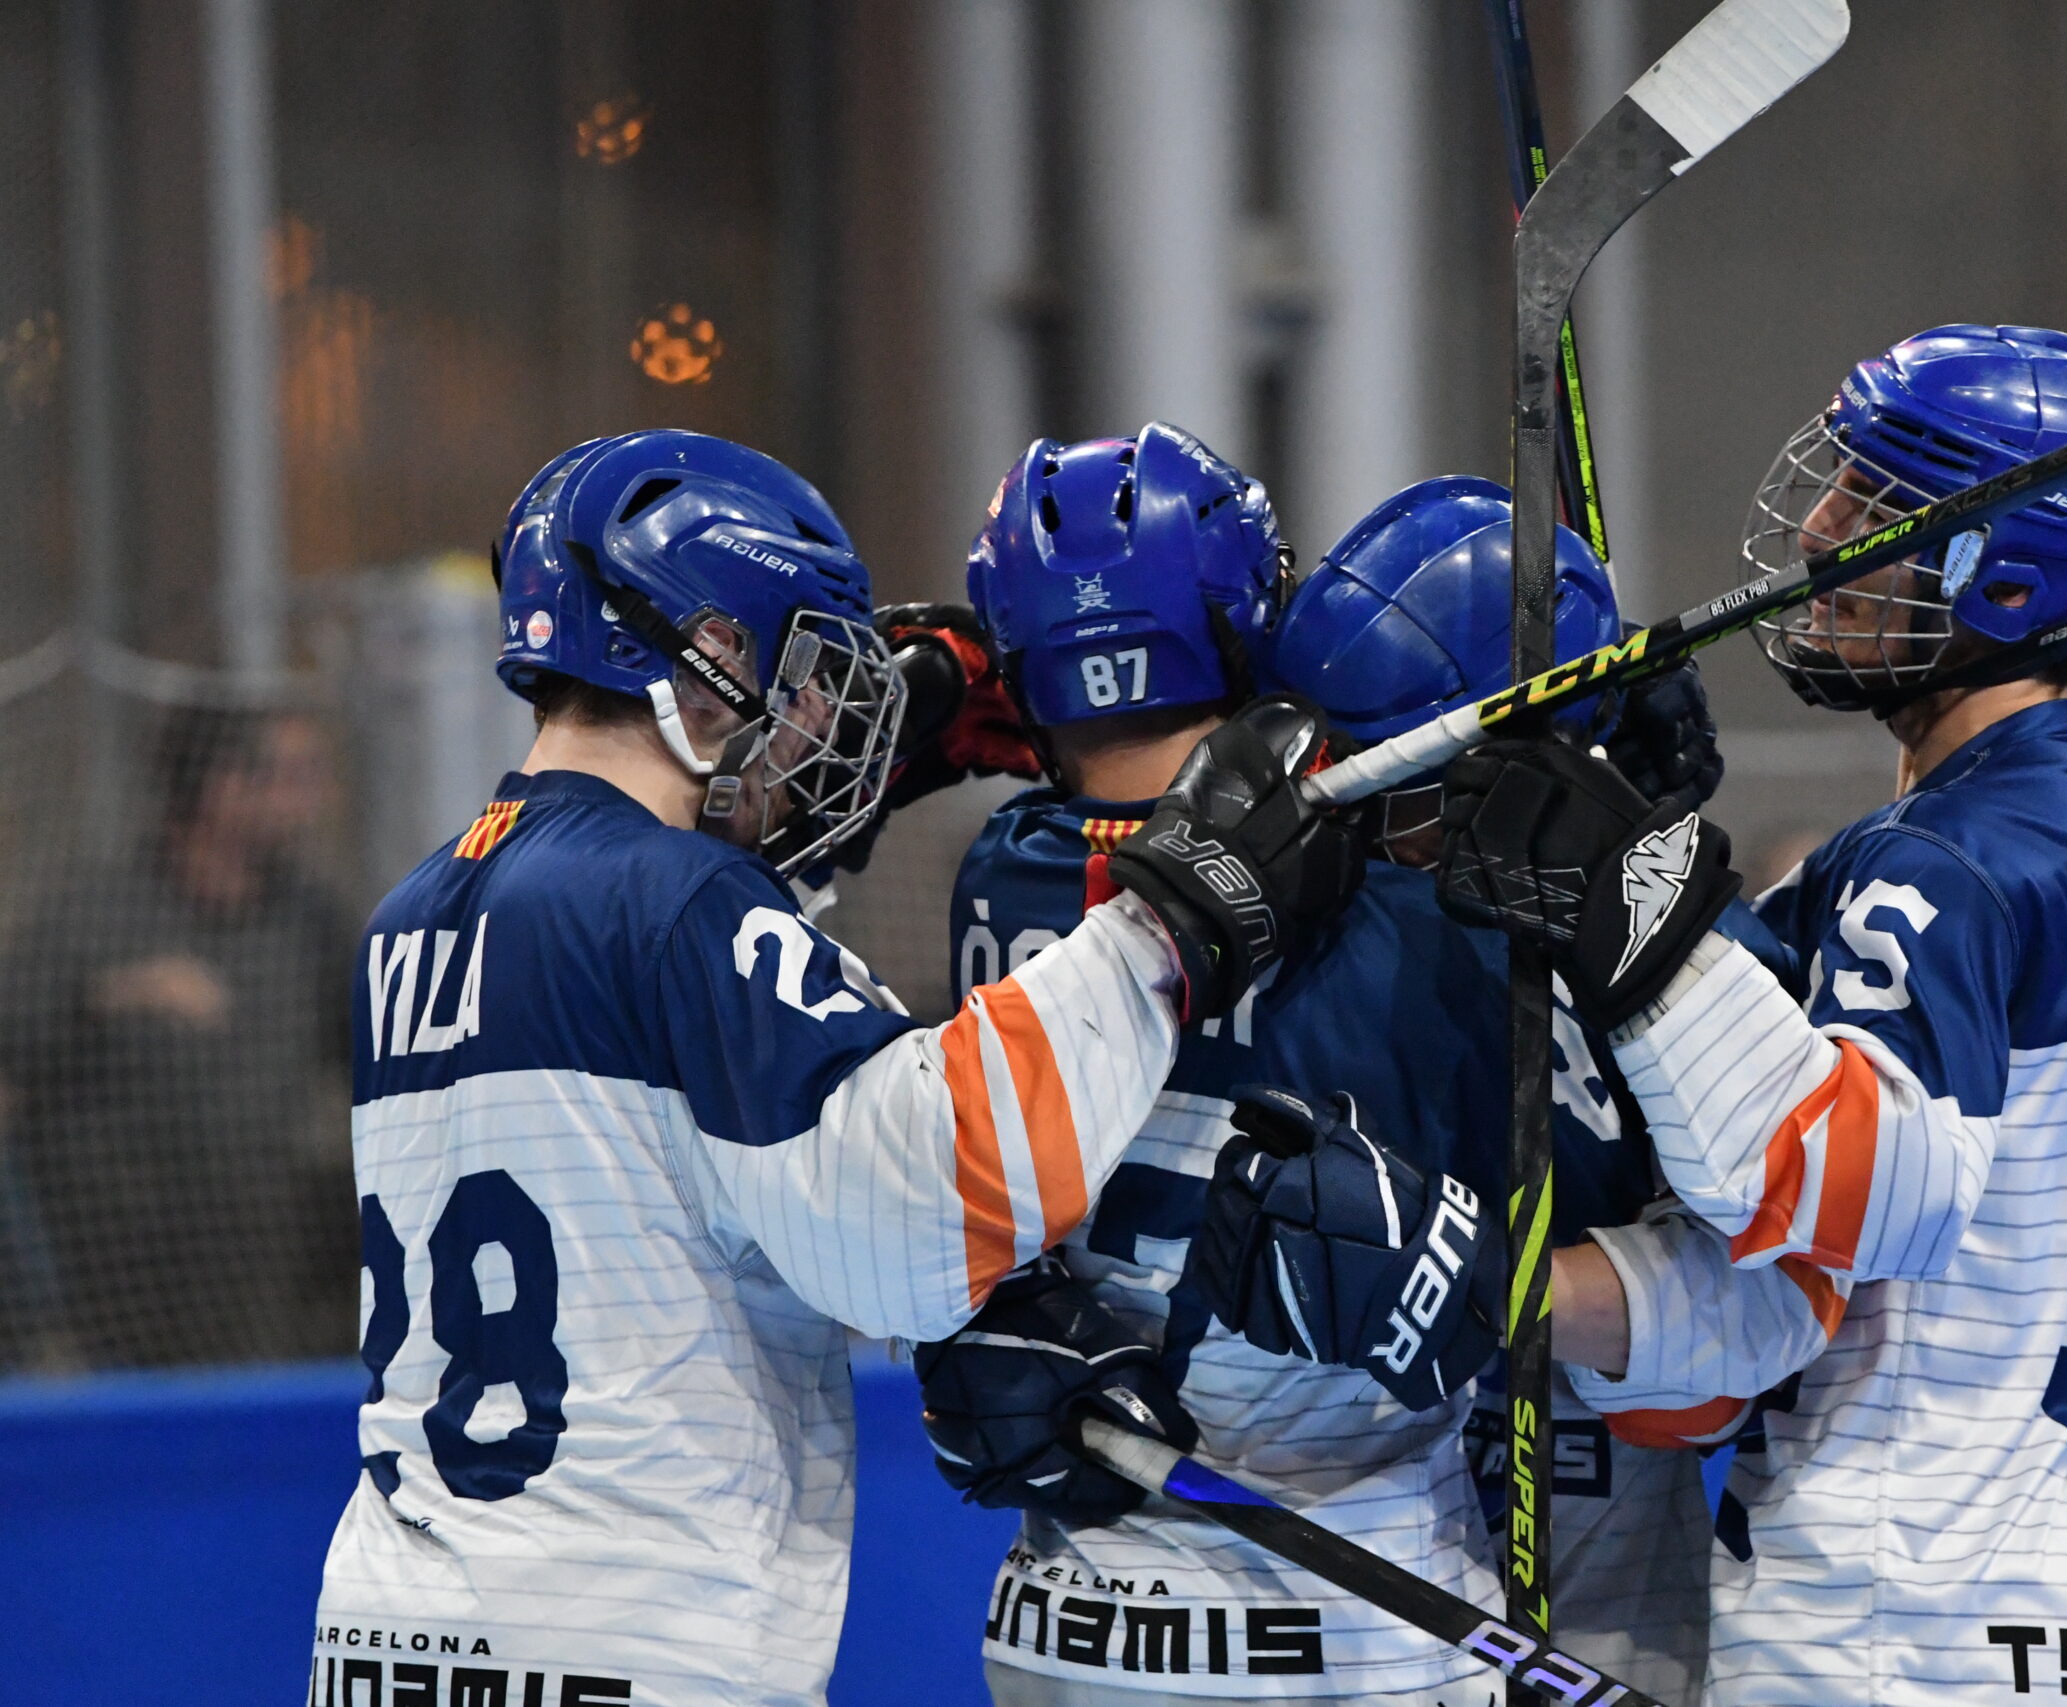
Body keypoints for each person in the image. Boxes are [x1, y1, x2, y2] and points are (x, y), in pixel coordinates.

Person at [1204, 325, 2067, 1704]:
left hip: (1894, 1611)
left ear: (2010, 578)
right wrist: (1651, 846)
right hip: (2014, 1599)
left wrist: (1640, 902)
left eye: (1880, 505)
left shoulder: (1942, 863)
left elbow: (1880, 1193)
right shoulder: (2033, 834)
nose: (1826, 531)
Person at [307, 429, 1363, 1707]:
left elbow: (664, 1139)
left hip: (384, 1633)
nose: (824, 722)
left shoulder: (412, 913)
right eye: (806, 674)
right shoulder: (681, 908)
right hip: (623, 1647)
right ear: (711, 663)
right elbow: (920, 1215)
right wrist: (1168, 920)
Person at [921, 454, 1689, 1705]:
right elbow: (1648, 1228)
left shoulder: (996, 875)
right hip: (1350, 1625)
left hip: (1057, 1614)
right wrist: (1639, 832)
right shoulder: (1411, 916)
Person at [0, 705, 350, 1368]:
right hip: (109, 1292)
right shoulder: (97, 916)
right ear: (223, 786)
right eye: (294, 776)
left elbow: (372, 1056)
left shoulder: (309, 923)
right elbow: (14, 1046)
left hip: (263, 1279)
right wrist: (108, 995)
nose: (318, 799)